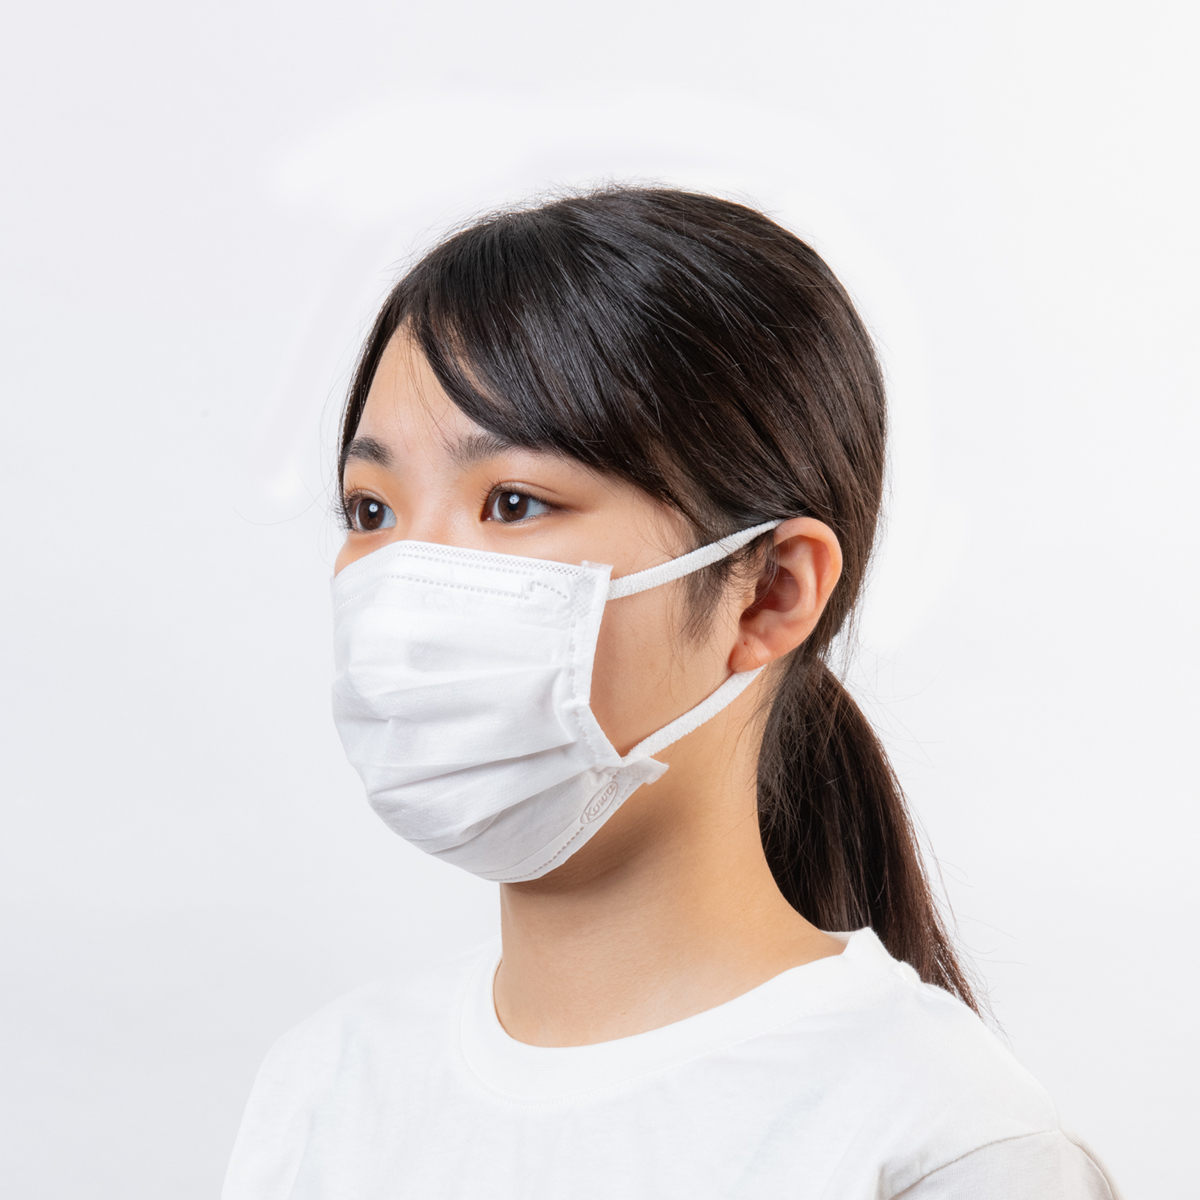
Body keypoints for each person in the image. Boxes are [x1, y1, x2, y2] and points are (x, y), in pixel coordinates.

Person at [223, 187, 1119, 1198]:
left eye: (512, 502)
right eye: (369, 509)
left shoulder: (946, 1139)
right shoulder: (324, 1093)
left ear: (769, 594)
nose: (405, 589)